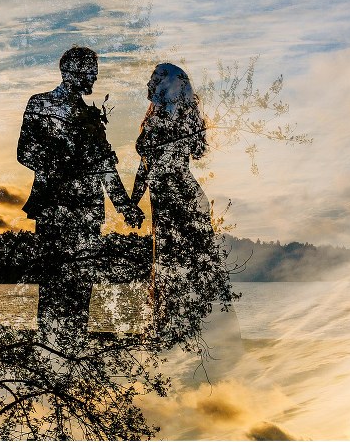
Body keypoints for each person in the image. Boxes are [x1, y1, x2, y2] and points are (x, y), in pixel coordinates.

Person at [17, 46, 144, 339]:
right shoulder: (40, 104)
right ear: (69, 72)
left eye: (94, 74)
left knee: (81, 286)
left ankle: (74, 349)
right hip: (53, 207)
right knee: (50, 283)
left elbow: (106, 167)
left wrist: (125, 206)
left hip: (87, 213)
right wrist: (64, 159)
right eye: (89, 73)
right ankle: (49, 350)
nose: (93, 79)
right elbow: (25, 152)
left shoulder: (91, 116)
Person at [130, 63, 235, 348]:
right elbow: (146, 166)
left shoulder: (177, 118)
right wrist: (133, 201)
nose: (149, 83)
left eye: (155, 78)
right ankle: (175, 336)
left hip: (183, 199)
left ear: (169, 84)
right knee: (167, 267)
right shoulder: (154, 119)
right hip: (164, 201)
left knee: (182, 266)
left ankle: (204, 337)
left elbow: (194, 151)